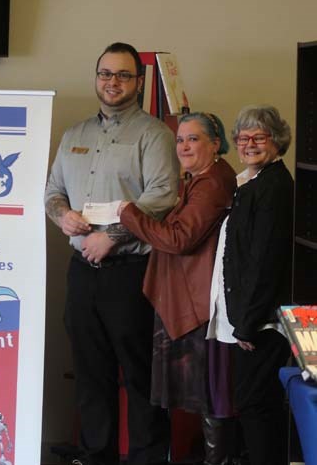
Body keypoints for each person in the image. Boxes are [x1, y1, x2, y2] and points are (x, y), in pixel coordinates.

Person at [44, 42, 179, 465]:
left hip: (130, 270)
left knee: (138, 372)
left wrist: (115, 235)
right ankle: (96, 454)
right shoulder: (75, 135)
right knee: (91, 371)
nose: (112, 82)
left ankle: (146, 457)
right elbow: (52, 193)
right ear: (96, 78)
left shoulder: (153, 134)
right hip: (82, 271)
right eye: (106, 74)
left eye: (122, 75)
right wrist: (63, 215)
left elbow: (164, 196)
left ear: (138, 83)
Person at [119, 113, 237, 465]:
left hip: (195, 301)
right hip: (188, 295)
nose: (184, 146)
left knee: (209, 391)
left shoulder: (212, 183)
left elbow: (179, 239)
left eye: (193, 139)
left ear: (215, 144)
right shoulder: (197, 179)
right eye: (180, 139)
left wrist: (129, 214)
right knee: (204, 391)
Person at [207, 105, 294, 465]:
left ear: (277, 141)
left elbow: (264, 262)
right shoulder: (254, 183)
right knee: (253, 405)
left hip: (258, 324)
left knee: (257, 408)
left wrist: (248, 323)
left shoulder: (273, 188)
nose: (249, 144)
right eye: (243, 138)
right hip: (246, 319)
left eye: (259, 137)